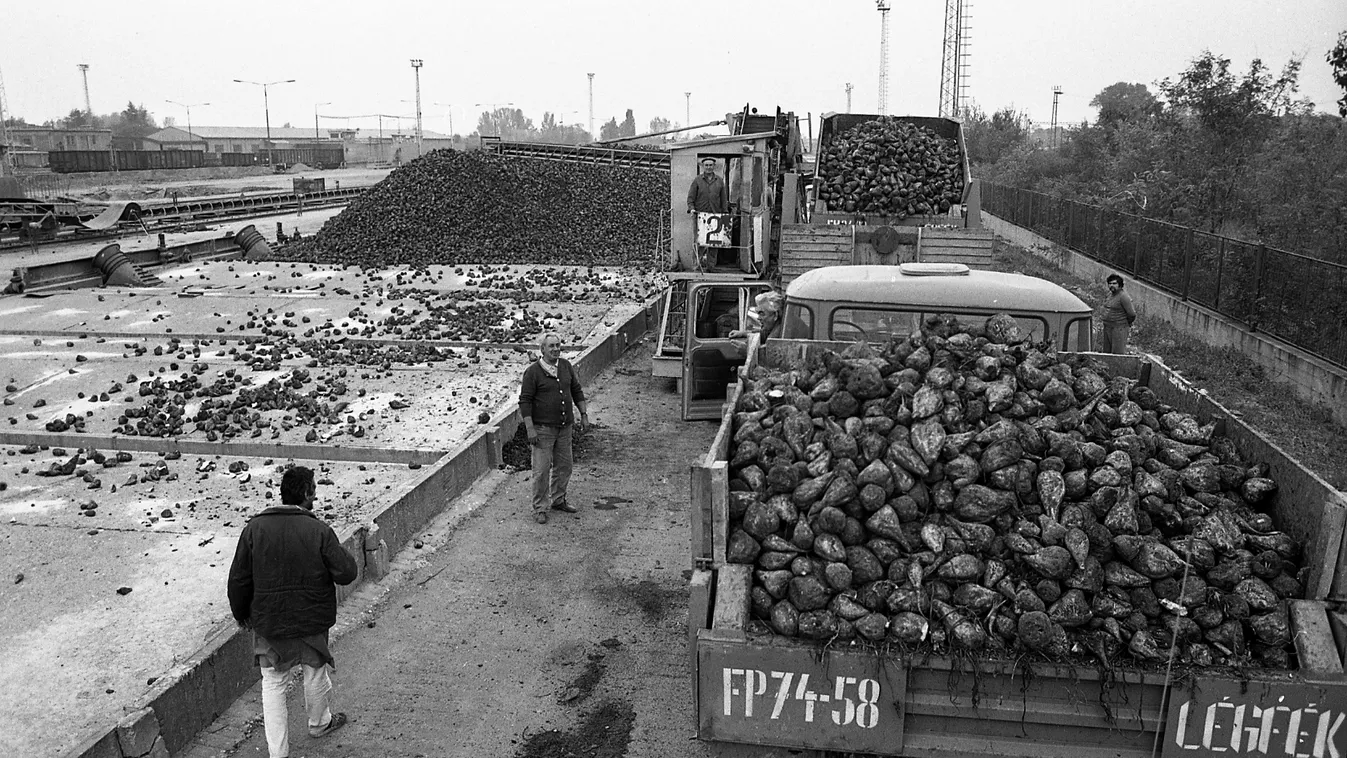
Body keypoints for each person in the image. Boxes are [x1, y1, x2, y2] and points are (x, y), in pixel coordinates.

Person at [227, 466, 358, 758]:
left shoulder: (254, 529)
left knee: (273, 684)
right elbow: (347, 572)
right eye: (314, 489)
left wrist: (241, 614)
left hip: (269, 624)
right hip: (311, 621)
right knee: (314, 671)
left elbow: (238, 579)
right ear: (308, 493)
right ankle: (319, 723)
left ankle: (278, 753)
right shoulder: (319, 531)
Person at [519, 333, 589, 524]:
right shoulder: (532, 372)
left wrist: (583, 414)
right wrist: (530, 429)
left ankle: (558, 499)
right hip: (542, 430)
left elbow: (576, 390)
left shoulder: (565, 366)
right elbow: (525, 401)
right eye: (551, 346)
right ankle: (540, 508)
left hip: (565, 428)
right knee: (541, 470)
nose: (556, 349)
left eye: (558, 345)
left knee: (565, 465)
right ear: (542, 349)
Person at [687, 157, 729, 269]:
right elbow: (690, 198)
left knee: (714, 243)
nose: (709, 167)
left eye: (711, 165)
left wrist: (725, 214)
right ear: (703, 166)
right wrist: (691, 209)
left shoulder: (720, 181)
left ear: (714, 166)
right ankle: (696, 266)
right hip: (700, 216)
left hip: (715, 216)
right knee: (699, 243)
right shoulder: (697, 181)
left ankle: (711, 267)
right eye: (706, 165)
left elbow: (723, 200)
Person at [1100, 273, 1137, 354]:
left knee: (1117, 352)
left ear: (1120, 285)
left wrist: (1126, 323)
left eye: (1114, 283)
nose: (1111, 285)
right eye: (1109, 284)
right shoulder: (1109, 295)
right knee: (1106, 352)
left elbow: (1132, 314)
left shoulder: (1123, 297)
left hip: (1119, 328)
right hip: (1107, 326)